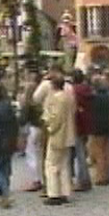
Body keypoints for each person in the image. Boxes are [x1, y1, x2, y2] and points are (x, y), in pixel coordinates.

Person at [42, 73, 76, 205]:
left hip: (58, 135)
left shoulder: (56, 99)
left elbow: (55, 118)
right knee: (64, 165)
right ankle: (65, 191)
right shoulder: (69, 97)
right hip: (68, 134)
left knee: (51, 164)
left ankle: (54, 194)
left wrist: (49, 126)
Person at [88, 76, 109, 186]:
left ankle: (100, 177)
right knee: (108, 151)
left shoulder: (93, 98)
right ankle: (108, 175)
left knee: (98, 152)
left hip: (98, 127)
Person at [19, 80, 44, 192]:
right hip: (42, 128)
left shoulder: (28, 103)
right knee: (40, 154)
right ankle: (42, 178)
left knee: (31, 154)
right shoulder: (41, 102)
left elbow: (22, 120)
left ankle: (36, 179)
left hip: (34, 129)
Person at [72, 70, 93, 192]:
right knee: (83, 153)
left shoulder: (74, 92)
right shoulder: (88, 90)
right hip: (87, 125)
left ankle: (83, 180)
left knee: (79, 154)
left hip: (77, 125)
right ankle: (84, 179)